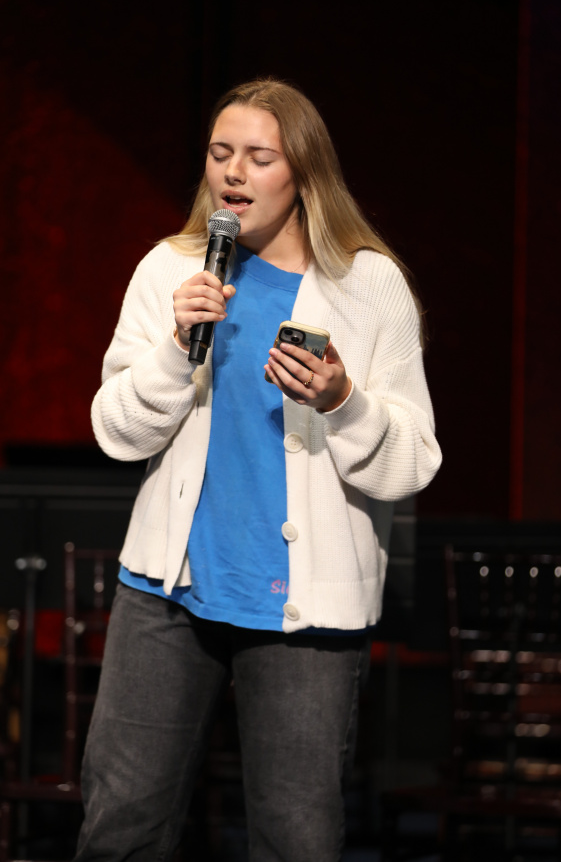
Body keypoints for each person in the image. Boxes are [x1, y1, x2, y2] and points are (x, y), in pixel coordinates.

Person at [75, 77, 442, 862]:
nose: (233, 173)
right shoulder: (170, 270)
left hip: (305, 613)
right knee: (120, 829)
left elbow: (413, 462)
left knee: (295, 841)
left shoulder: (367, 285)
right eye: (220, 153)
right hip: (167, 596)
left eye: (258, 157)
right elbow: (115, 431)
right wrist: (177, 350)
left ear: (304, 173)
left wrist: (343, 402)